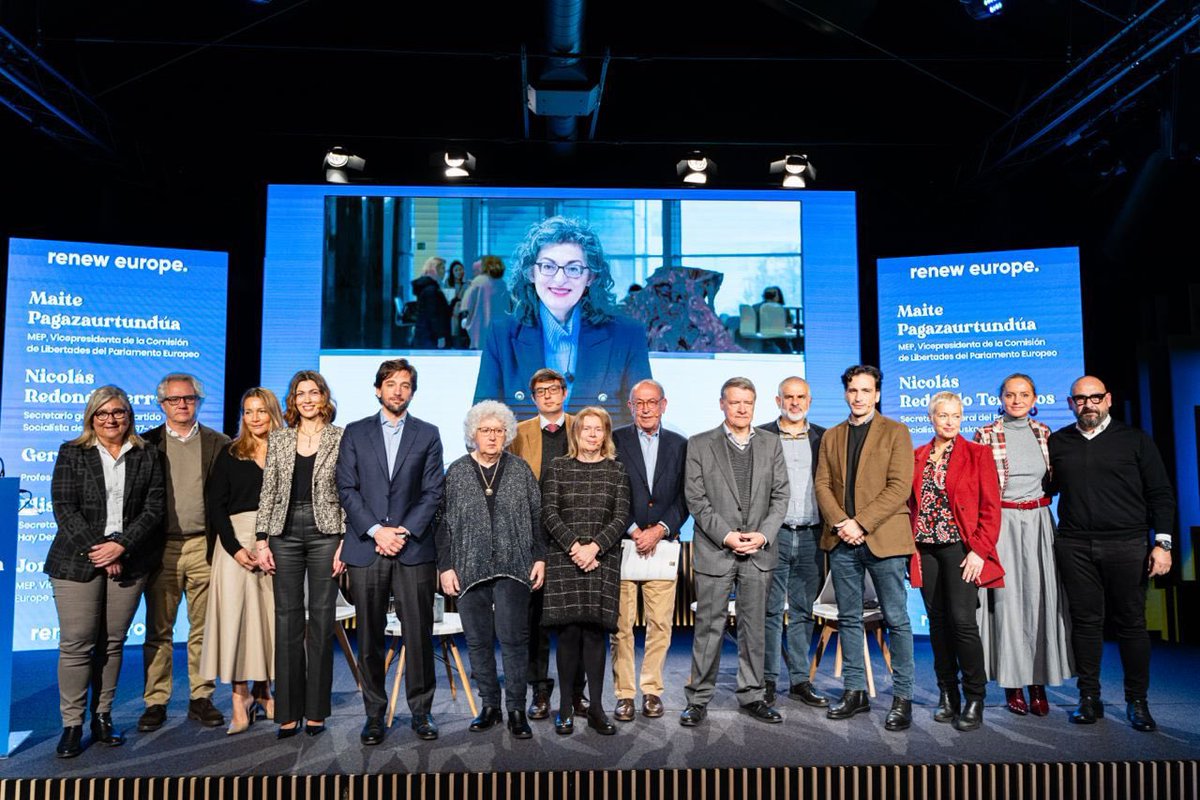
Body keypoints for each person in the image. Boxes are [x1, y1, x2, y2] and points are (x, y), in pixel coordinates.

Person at [1049, 375, 1175, 732]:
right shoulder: (1058, 442)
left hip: (1127, 544)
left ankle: (1138, 701)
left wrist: (1163, 544)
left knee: (1131, 624)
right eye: (1080, 399)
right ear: (1071, 403)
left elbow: (1161, 494)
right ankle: (1089, 698)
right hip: (1075, 545)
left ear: (1108, 400)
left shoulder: (1135, 440)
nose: (1087, 404)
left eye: (1095, 397)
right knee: (1085, 624)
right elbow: (1046, 487)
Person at [47, 386, 165, 758]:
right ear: (91, 417)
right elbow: (64, 507)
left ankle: (102, 717)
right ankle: (72, 725)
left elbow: (154, 508)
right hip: (76, 560)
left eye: (119, 412)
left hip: (129, 558)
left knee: (112, 643)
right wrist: (100, 550)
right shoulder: (72, 452)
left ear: (129, 416)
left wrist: (121, 546)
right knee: (77, 643)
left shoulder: (147, 453)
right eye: (103, 413)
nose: (111, 419)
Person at [337, 359, 445, 745]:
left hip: (412, 547)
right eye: (391, 384)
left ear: (412, 392)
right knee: (369, 636)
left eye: (405, 385)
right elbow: (346, 487)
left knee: (418, 634)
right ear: (378, 389)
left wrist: (402, 531)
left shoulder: (428, 433)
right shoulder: (355, 432)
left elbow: (433, 491)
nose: (398, 391)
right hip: (367, 547)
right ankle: (374, 714)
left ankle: (421, 712)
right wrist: (376, 531)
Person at [680, 377, 790, 727]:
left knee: (754, 628)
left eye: (748, 402)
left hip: (759, 551)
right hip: (716, 550)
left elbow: (781, 496)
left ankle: (753, 695)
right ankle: (698, 699)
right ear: (722, 404)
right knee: (708, 627)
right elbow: (696, 499)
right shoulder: (699, 444)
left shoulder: (771, 443)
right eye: (735, 402)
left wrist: (764, 535)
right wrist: (726, 536)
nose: (742, 409)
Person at [473, 216, 652, 424]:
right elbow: (482, 427)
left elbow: (642, 426)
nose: (559, 279)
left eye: (573, 268)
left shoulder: (627, 336)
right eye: (548, 267)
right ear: (531, 272)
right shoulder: (501, 336)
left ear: (591, 277)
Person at [814, 365, 915, 731]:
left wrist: (861, 523)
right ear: (846, 393)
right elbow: (822, 484)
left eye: (866, 390)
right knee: (849, 618)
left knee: (896, 619)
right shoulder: (832, 435)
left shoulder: (896, 432)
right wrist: (843, 522)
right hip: (842, 540)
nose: (859, 397)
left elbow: (899, 486)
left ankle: (902, 697)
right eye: (853, 390)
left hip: (884, 539)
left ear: (877, 395)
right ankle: (855, 691)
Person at [436, 401, 546, 739]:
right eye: (485, 430)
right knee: (478, 641)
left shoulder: (520, 470)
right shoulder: (456, 472)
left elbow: (537, 516)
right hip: (468, 567)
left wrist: (540, 558)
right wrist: (445, 566)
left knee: (514, 640)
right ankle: (489, 706)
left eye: (499, 430)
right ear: (473, 434)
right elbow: (441, 523)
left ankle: (516, 709)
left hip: (514, 566)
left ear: (507, 434)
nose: (492, 436)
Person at [974, 373, 1073, 717]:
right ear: (1000, 398)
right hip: (1002, 523)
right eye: (1010, 395)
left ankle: (1038, 683)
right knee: (1008, 604)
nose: (1016, 401)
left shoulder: (1045, 434)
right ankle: (1013, 684)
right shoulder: (985, 435)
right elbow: (977, 488)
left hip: (1040, 524)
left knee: (1040, 601)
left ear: (1034, 400)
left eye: (1024, 395)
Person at [255, 370, 346, 738]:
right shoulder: (279, 438)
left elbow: (350, 489)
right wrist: (261, 539)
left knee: (322, 620)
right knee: (287, 620)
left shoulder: (342, 437)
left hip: (327, 533)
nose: (307, 399)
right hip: (285, 531)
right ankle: (288, 711)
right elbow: (268, 490)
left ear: (324, 397)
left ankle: (316, 711)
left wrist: (346, 539)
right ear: (292, 400)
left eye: (313, 392)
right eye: (300, 393)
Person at [139, 373, 230, 733]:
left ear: (199, 402)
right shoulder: (145, 444)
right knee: (158, 630)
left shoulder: (219, 443)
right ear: (162, 404)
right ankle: (156, 701)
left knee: (203, 629)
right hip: (161, 548)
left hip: (204, 546)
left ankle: (201, 697)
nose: (182, 404)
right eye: (174, 399)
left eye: (189, 398)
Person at [908, 392, 1003, 731]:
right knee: (937, 623)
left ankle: (975, 697)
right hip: (926, 549)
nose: (950, 422)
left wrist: (979, 551)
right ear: (931, 418)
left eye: (956, 416)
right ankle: (947, 694)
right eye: (943, 415)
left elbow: (991, 508)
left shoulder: (977, 454)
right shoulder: (917, 456)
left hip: (961, 550)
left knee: (962, 622)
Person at [541, 406, 631, 736]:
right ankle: (565, 707)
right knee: (568, 635)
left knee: (595, 634)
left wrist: (595, 548)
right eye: (586, 429)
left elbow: (621, 517)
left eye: (598, 429)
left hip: (601, 561)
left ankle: (596, 709)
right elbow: (549, 513)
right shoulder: (558, 467)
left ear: (606, 434)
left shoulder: (616, 471)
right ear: (576, 433)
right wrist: (575, 547)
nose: (592, 435)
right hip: (566, 560)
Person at [199, 388, 284, 735]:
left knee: (268, 621)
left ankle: (264, 692)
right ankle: (239, 696)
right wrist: (236, 549)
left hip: (277, 543)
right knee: (236, 621)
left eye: (261, 410)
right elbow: (215, 506)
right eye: (248, 411)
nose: (255, 418)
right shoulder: (230, 452)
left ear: (273, 413)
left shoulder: (287, 451)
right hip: (234, 543)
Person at [507, 367, 585, 720]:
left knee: (575, 621)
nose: (548, 395)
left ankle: (576, 693)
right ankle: (539, 691)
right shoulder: (518, 433)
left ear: (565, 392)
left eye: (554, 389)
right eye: (541, 391)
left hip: (576, 538)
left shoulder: (583, 426)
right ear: (533, 397)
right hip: (532, 539)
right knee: (534, 622)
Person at [611, 379, 688, 722]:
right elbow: (610, 491)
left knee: (660, 624)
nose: (645, 409)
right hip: (624, 544)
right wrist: (633, 529)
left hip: (663, 545)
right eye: (639, 403)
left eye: (652, 402)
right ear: (630, 406)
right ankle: (625, 695)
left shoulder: (680, 444)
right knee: (621, 627)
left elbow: (686, 496)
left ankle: (652, 690)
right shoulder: (615, 441)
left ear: (663, 405)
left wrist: (659, 530)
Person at [757, 376, 827, 708]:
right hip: (774, 535)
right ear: (778, 401)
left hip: (812, 534)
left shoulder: (824, 438)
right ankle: (768, 680)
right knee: (771, 611)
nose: (795, 403)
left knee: (802, 611)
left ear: (809, 401)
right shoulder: (761, 436)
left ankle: (800, 680)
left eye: (801, 397)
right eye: (789, 397)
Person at [461, 255, 509, 350]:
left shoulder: (478, 281)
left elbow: (467, 304)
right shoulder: (502, 284)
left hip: (479, 326)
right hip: (498, 328)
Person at [411, 256, 451, 349]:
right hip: (430, 338)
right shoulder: (431, 290)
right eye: (442, 268)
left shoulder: (427, 287)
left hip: (426, 336)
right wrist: (440, 336)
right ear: (434, 269)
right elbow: (434, 315)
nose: (444, 272)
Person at [446, 259, 469, 347]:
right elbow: (448, 301)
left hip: (464, 313)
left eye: (460, 269)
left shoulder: (467, 284)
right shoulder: (448, 283)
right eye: (456, 270)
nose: (459, 272)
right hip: (452, 314)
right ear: (452, 272)